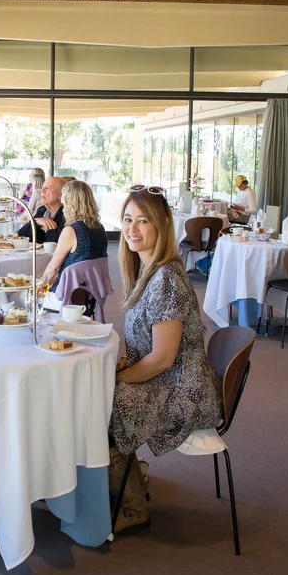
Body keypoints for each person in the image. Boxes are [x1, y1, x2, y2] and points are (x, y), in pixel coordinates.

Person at [110, 184, 222, 532]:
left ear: (161, 226)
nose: (132, 229)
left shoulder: (166, 279)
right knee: (99, 393)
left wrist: (119, 378)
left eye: (143, 221)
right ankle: (128, 476)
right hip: (170, 380)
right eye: (128, 219)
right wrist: (125, 368)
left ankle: (133, 504)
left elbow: (161, 359)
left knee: (103, 402)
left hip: (185, 392)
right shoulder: (146, 272)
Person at [41, 180, 108, 291]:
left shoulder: (71, 231)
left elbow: (53, 268)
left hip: (67, 293)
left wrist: (39, 286)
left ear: (68, 202)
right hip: (92, 293)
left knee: (19, 296)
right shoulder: (100, 228)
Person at [17, 176, 66, 244]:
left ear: (61, 195)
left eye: (48, 188)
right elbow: (21, 234)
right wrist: (37, 222)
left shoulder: (66, 215)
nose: (42, 191)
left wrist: (49, 231)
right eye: (42, 188)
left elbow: (58, 243)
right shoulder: (42, 211)